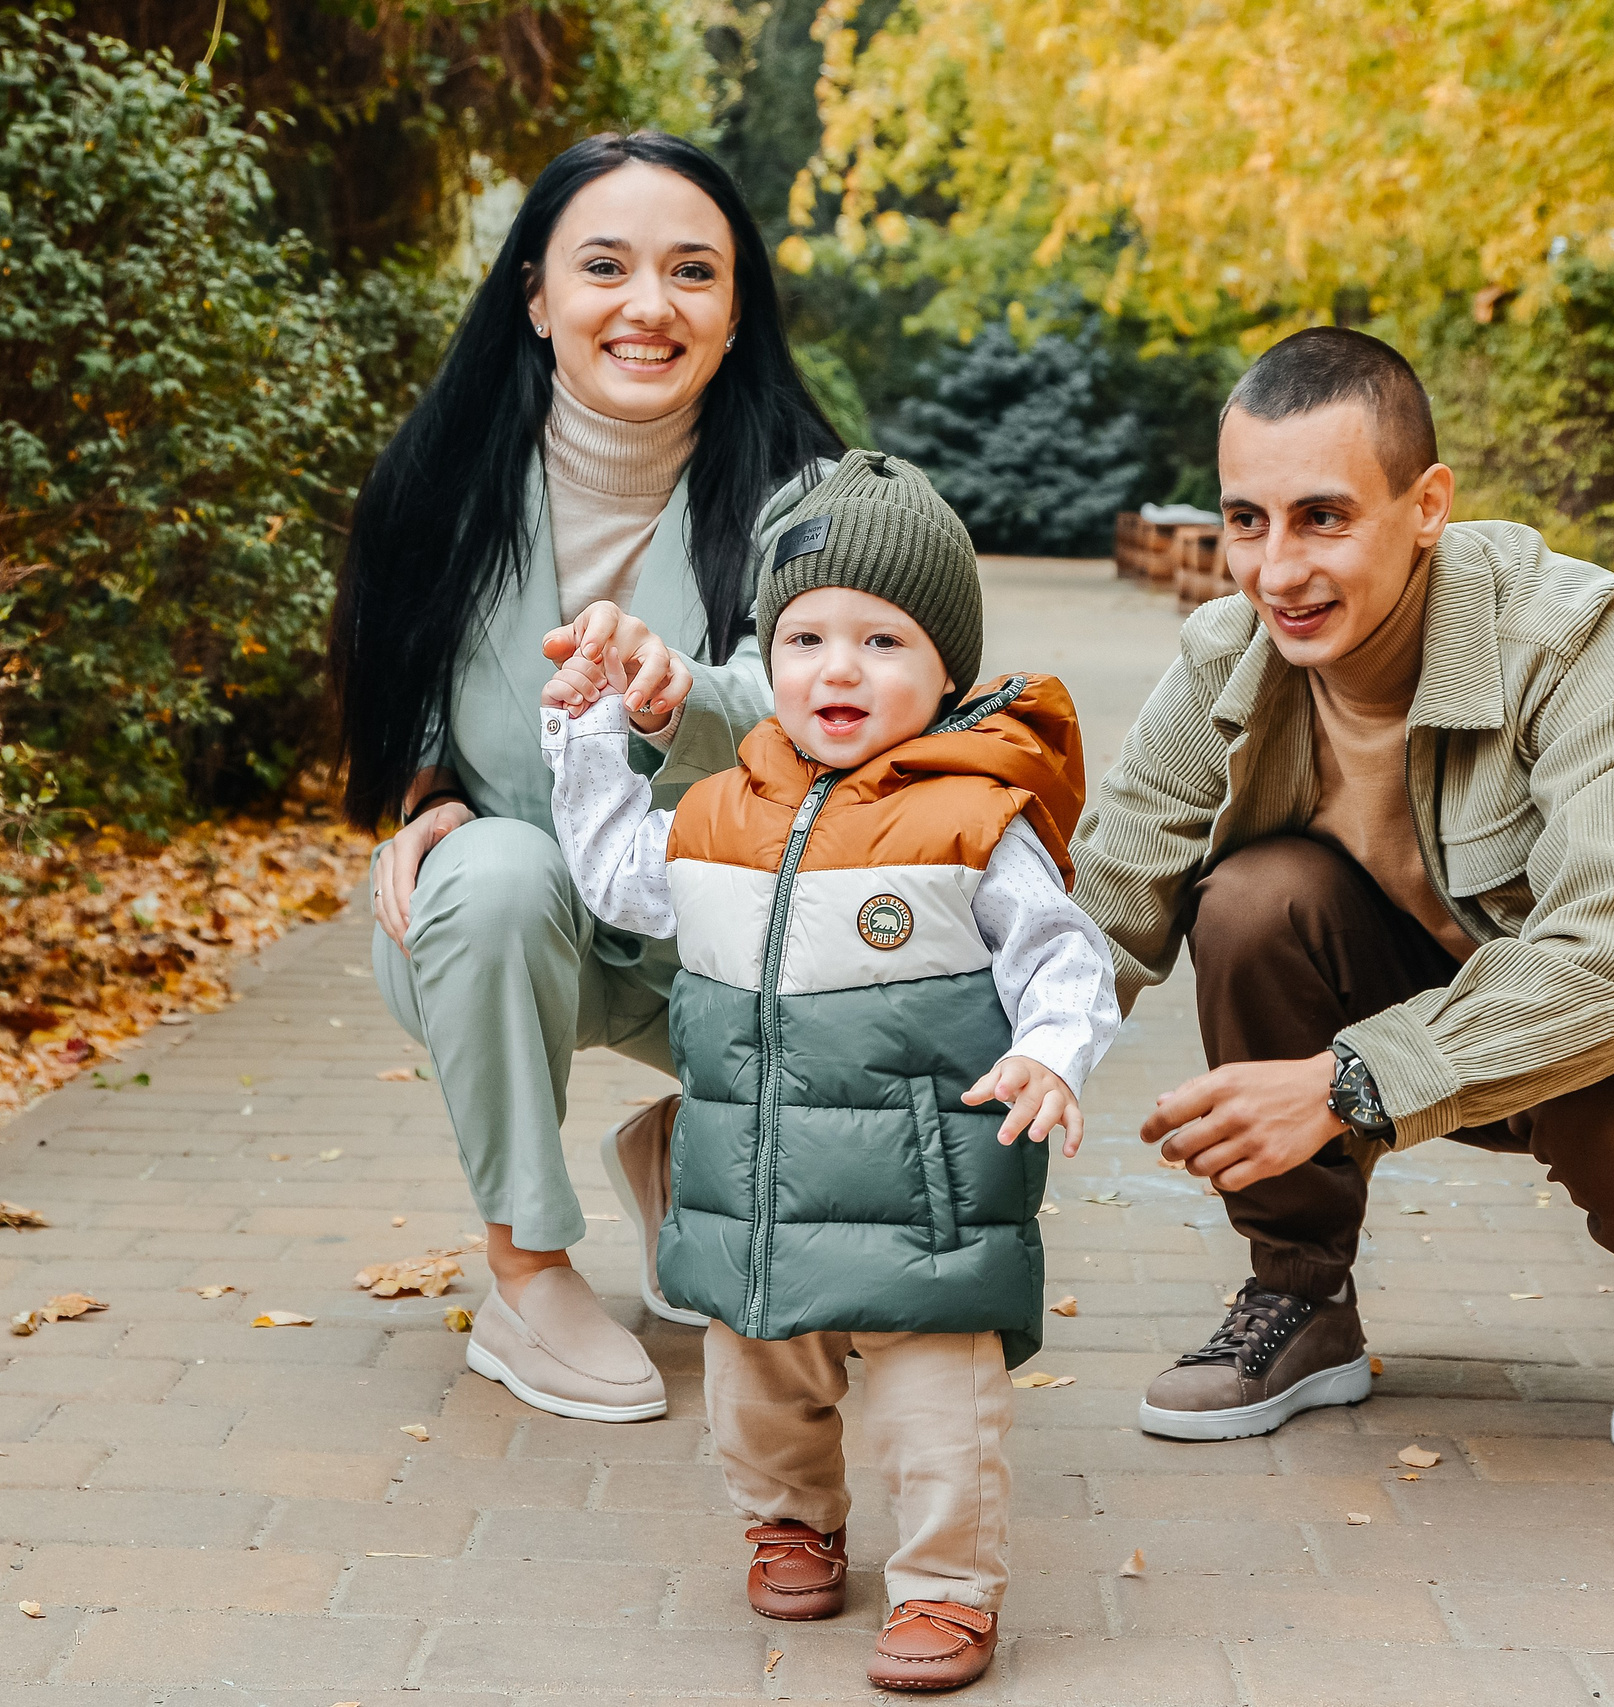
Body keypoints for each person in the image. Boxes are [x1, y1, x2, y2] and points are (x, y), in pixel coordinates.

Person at [1069, 327, 1614, 1459]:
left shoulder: (1573, 639)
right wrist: (971, 1060)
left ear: (1426, 505)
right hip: (1415, 998)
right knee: (1249, 900)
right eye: (1248, 519)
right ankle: (1303, 1297)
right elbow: (1106, 894)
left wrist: (1343, 1083)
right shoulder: (1227, 654)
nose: (1276, 570)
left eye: (1323, 517)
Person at [536, 449, 1120, 1691]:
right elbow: (614, 874)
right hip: (752, 1195)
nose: (837, 669)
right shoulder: (716, 814)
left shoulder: (974, 819)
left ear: (945, 669)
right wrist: (588, 727)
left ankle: (949, 1591)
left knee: (935, 1418)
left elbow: (1064, 957)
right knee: (756, 1386)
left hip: (928, 1200)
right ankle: (791, 1523)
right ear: (764, 657)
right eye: (803, 638)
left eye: (882, 641)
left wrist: (1049, 1055)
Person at [328, 132, 844, 1423]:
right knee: (494, 872)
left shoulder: (815, 500)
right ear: (537, 293)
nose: (648, 306)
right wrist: (426, 794)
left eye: (692, 272)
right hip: (507, 922)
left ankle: (693, 1152)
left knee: (881, 936)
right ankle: (528, 1269)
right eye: (604, 266)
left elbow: (864, 731)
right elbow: (405, 705)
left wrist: (686, 688)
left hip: (732, 922)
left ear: (736, 309)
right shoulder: (440, 487)